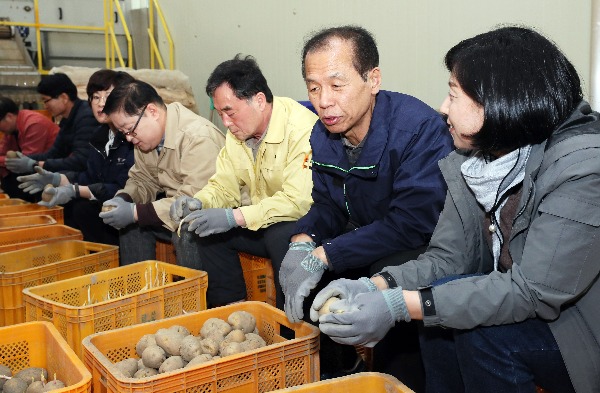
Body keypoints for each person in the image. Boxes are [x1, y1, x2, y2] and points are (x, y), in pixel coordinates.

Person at [311, 26, 600, 393]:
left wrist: (398, 305)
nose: (443, 107)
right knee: (441, 309)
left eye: (453, 95)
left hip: (578, 329)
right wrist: (375, 285)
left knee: (477, 333)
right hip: (528, 306)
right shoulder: (476, 159)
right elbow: (448, 259)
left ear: (498, 102)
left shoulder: (582, 167)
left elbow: (533, 292)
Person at [170, 54, 318, 309]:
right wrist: (198, 201)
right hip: (260, 218)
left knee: (280, 235)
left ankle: (290, 326)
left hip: (308, 225)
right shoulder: (238, 134)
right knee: (207, 233)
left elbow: (299, 202)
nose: (226, 123)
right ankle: (232, 314)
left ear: (259, 100)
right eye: (220, 114)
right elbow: (223, 185)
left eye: (230, 112)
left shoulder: (302, 129)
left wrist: (234, 217)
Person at [99, 80, 225, 265]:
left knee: (187, 232)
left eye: (130, 130)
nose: (128, 138)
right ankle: (141, 290)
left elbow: (194, 202)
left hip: (216, 217)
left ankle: (193, 293)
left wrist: (135, 212)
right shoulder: (146, 139)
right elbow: (142, 179)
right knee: (131, 227)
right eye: (123, 132)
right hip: (175, 213)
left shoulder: (197, 137)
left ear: (152, 112)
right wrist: (124, 199)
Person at [16, 69, 136, 245]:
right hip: (104, 201)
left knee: (82, 208)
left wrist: (75, 190)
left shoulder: (132, 136)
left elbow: (126, 187)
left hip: (128, 205)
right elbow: (89, 175)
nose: (101, 103)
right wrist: (58, 179)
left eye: (109, 95)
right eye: (95, 97)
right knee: (79, 207)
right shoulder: (100, 135)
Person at [4, 73, 99, 199]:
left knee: (28, 184)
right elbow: (54, 153)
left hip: (90, 176)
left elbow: (80, 161)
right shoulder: (68, 120)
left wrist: (34, 164)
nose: (45, 106)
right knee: (16, 180)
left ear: (64, 97)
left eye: (46, 100)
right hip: (76, 171)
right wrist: (25, 160)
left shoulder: (86, 117)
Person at [0, 96, 59, 201]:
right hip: (36, 168)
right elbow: (3, 152)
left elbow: (25, 161)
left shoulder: (33, 124)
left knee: (16, 181)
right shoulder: (11, 129)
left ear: (9, 116)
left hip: (53, 170)